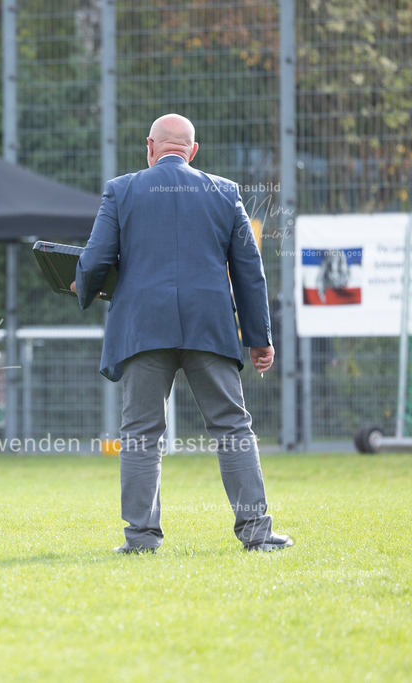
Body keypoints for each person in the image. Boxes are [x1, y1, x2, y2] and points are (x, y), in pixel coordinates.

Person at [74, 114, 292, 553]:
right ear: (193, 151)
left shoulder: (121, 190)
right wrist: (259, 337)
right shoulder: (225, 192)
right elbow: (250, 272)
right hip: (208, 325)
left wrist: (83, 283)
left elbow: (96, 257)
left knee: (139, 434)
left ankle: (140, 539)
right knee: (233, 427)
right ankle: (257, 533)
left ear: (150, 147)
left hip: (143, 328)